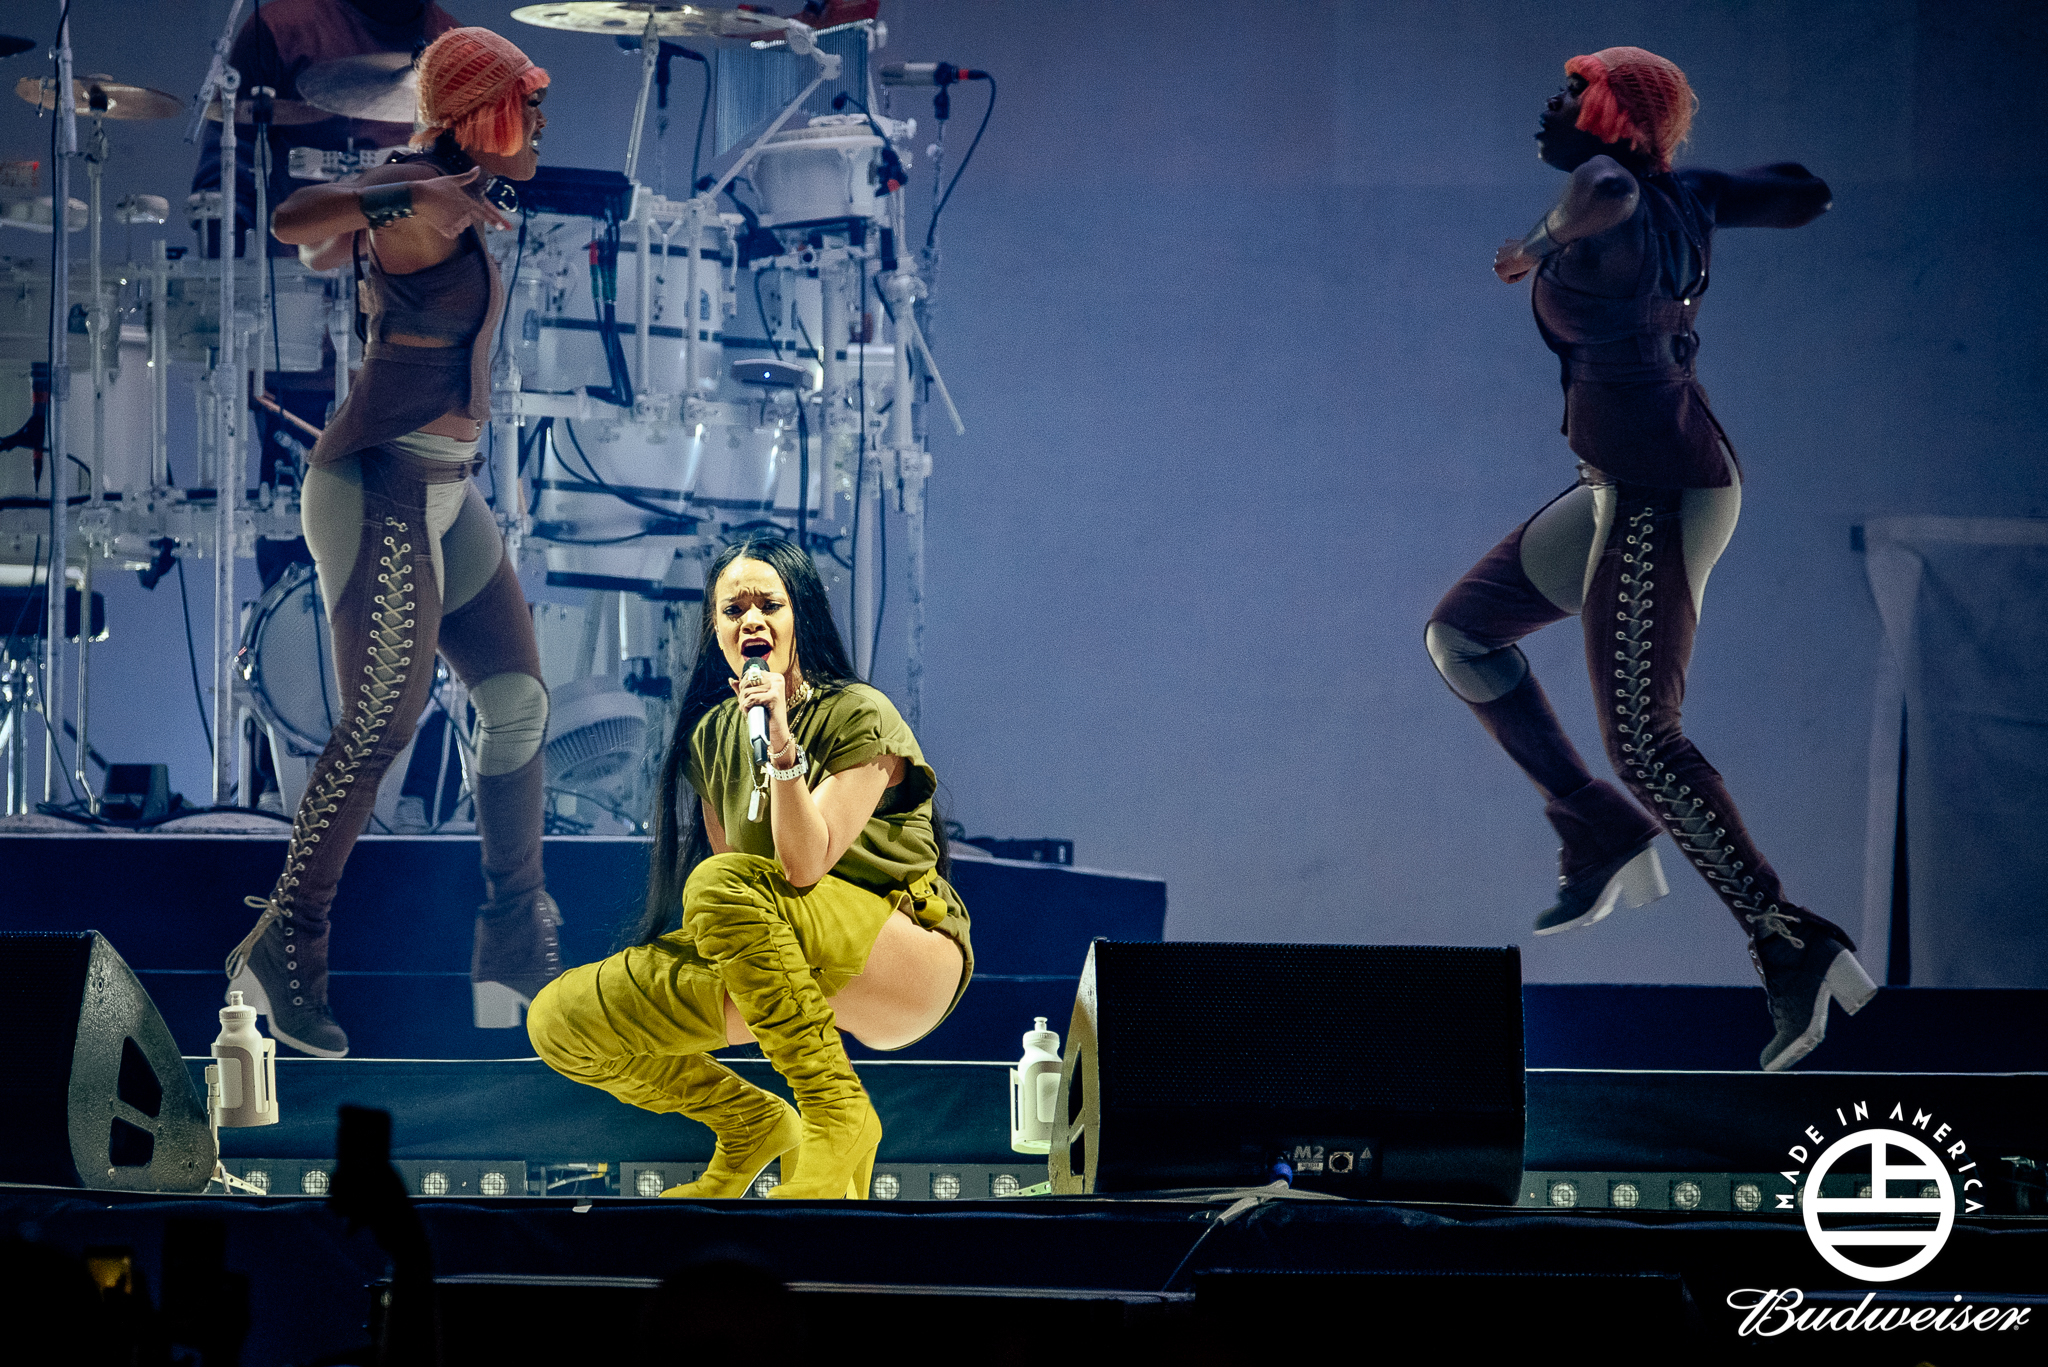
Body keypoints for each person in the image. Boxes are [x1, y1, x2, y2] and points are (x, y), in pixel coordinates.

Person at [1427, 47, 1875, 1072]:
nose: (1552, 105)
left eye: (1573, 90)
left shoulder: (1613, 195)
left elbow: (1606, 187)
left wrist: (1532, 246)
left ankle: (1791, 941)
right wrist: (1731, 187)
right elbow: (1804, 194)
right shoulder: (1681, 196)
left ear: (1614, 117)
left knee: (1643, 735)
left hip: (1658, 494)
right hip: (1619, 485)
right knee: (1462, 634)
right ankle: (1598, 831)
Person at [225, 27, 556, 1056]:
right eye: (525, 107)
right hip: (379, 486)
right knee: (378, 726)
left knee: (516, 701)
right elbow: (295, 219)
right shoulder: (414, 187)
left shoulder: (452, 191)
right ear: (480, 116)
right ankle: (283, 950)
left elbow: (332, 248)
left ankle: (513, 948)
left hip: (448, 490)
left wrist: (402, 215)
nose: (540, 125)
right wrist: (397, 200)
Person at [528, 538, 973, 1200]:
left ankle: (836, 1113)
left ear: (802, 615)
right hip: (783, 954)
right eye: (733, 609)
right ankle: (748, 1123)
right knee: (561, 1019)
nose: (751, 620)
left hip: (903, 956)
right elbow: (739, 878)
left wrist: (781, 746)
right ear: (715, 630)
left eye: (770, 603)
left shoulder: (859, 713)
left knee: (718, 884)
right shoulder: (711, 736)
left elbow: (803, 864)